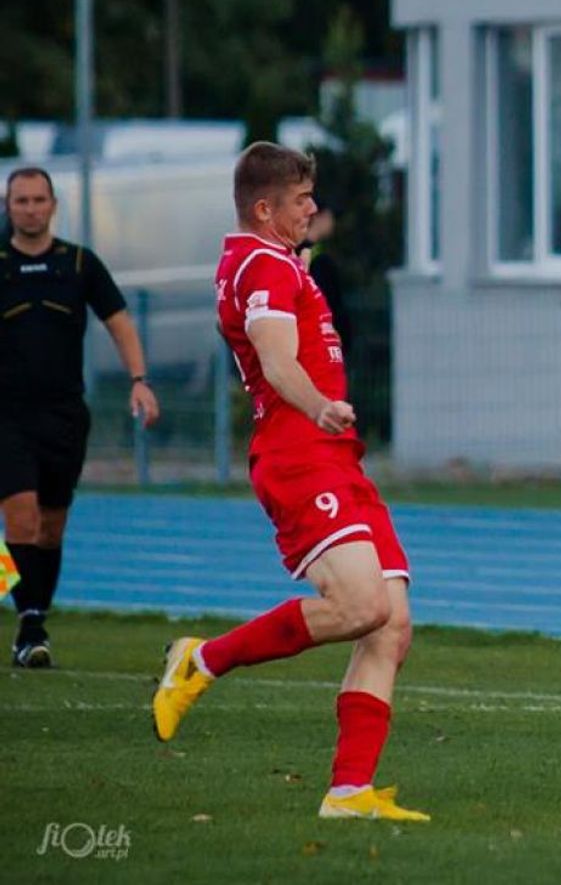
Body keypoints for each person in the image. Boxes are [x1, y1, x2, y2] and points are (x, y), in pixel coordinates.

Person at [152, 142, 427, 822]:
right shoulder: (263, 264)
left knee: (391, 624)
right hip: (301, 452)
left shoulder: (268, 260)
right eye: (301, 200)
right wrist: (320, 406)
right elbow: (276, 361)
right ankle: (203, 660)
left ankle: (348, 792)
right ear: (263, 208)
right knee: (361, 606)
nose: (312, 209)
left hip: (334, 456)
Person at [2, 167, 159, 668]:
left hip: (64, 416)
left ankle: (32, 616)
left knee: (50, 529)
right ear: (8, 206)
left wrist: (139, 379)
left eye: (38, 199)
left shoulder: (79, 263)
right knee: (20, 517)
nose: (30, 208)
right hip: (7, 415)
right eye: (21, 200)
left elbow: (119, 322)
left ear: (53, 205)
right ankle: (30, 624)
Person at [298, 205, 351, 353]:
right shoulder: (317, 260)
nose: (332, 222)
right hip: (320, 343)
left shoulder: (304, 253)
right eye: (330, 216)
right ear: (319, 216)